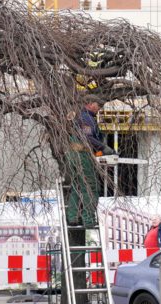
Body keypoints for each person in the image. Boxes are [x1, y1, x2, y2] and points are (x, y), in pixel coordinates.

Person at [66, 94, 115, 228]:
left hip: (75, 155)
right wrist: (103, 147)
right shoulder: (86, 118)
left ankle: (73, 217)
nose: (99, 109)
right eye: (98, 106)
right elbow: (87, 138)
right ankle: (88, 219)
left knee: (78, 186)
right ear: (91, 104)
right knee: (91, 187)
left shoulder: (83, 117)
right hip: (82, 155)